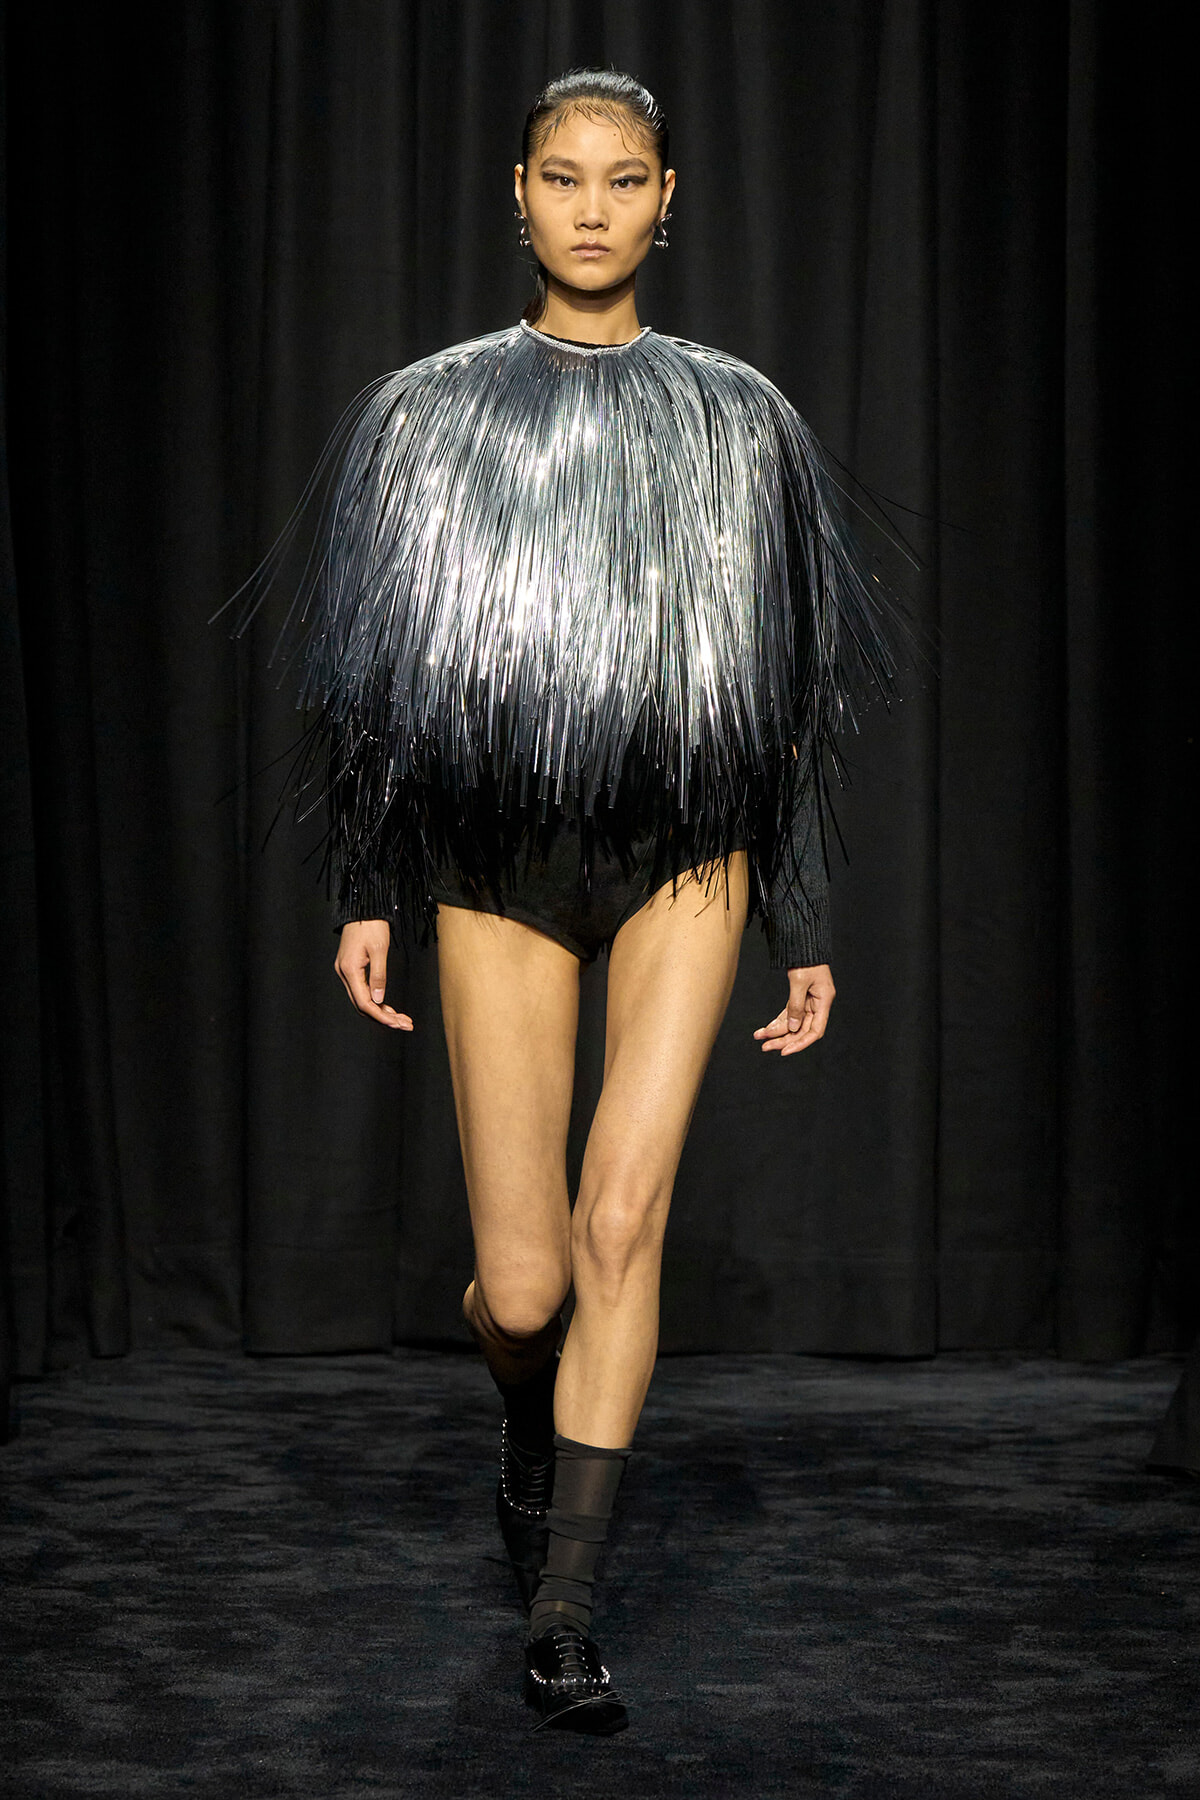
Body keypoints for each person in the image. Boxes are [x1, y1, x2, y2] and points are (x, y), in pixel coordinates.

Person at [236, 66, 902, 1735]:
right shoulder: (429, 415)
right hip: (490, 857)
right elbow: (378, 688)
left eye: (623, 178)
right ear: (516, 195)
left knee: (623, 1225)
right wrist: (367, 891)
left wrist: (799, 911)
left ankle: (565, 1608)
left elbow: (788, 688)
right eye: (561, 175)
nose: (591, 205)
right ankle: (526, 1426)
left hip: (687, 847)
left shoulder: (740, 418)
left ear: (669, 197)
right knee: (526, 1288)